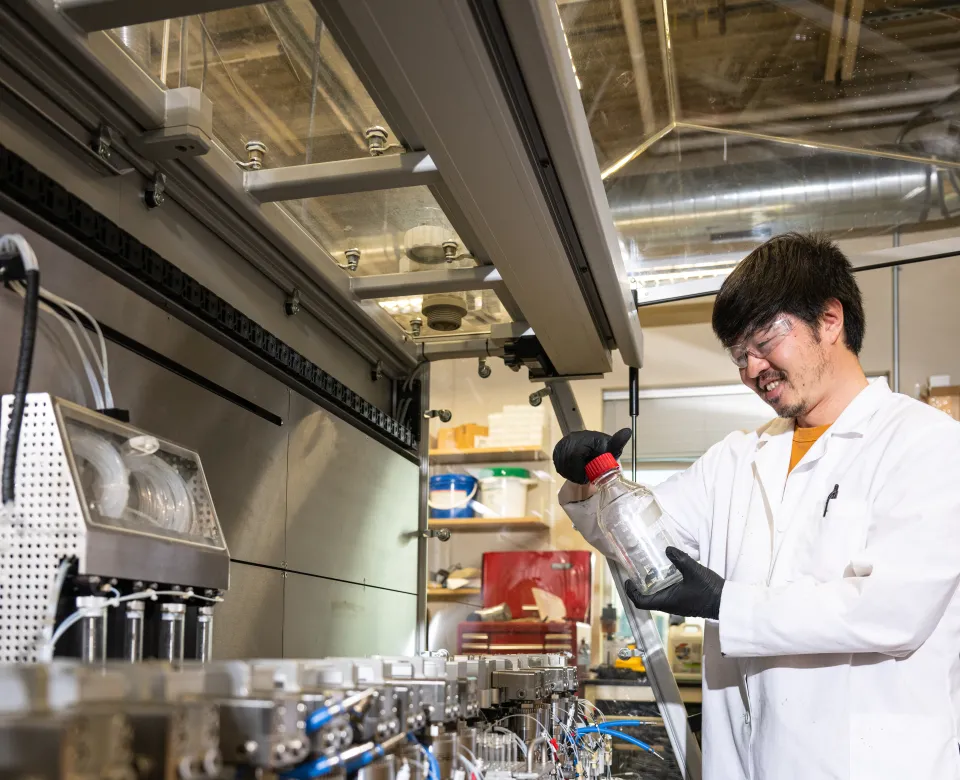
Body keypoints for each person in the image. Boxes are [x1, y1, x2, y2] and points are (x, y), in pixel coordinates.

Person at [554, 233, 960, 780]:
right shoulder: (737, 458)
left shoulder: (925, 442)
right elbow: (640, 541)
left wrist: (727, 603)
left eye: (764, 340)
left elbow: (889, 611)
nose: (751, 368)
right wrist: (591, 484)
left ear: (830, 320)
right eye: (738, 354)